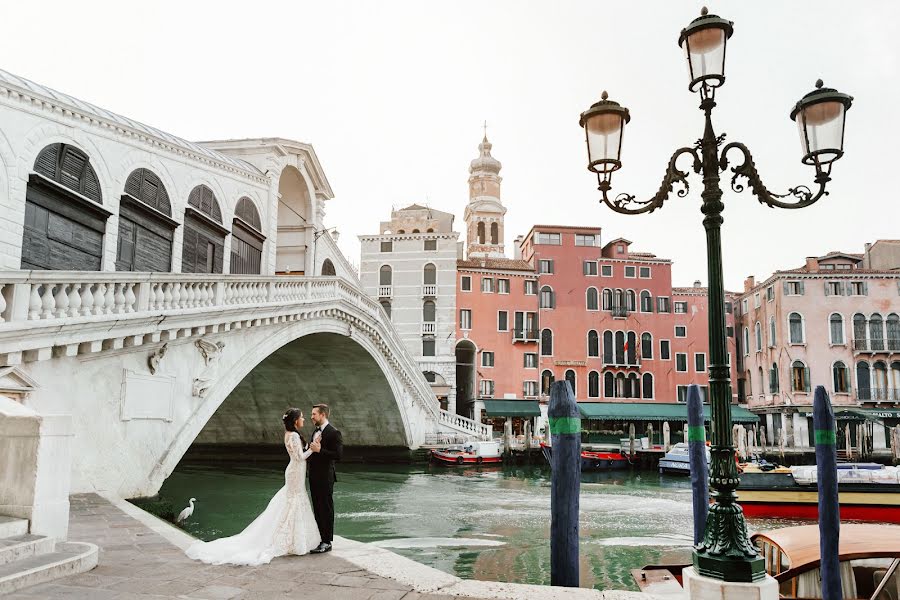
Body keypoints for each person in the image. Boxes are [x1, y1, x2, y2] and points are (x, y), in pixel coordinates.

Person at [184, 408, 320, 565]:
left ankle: (293, 539)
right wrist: (312, 449)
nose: (304, 419)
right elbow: (300, 457)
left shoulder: (290, 434)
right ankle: (290, 540)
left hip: (294, 472)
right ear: (295, 420)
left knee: (292, 502)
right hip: (295, 472)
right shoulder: (294, 435)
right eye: (302, 417)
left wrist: (309, 447)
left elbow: (298, 455)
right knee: (293, 502)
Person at [307, 403, 342, 553]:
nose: (311, 416)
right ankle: (320, 538)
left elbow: (338, 455)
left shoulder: (334, 432)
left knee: (326, 509)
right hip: (314, 476)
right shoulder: (315, 431)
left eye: (314, 414)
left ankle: (327, 541)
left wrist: (320, 450)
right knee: (317, 508)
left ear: (323, 415)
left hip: (325, 477)